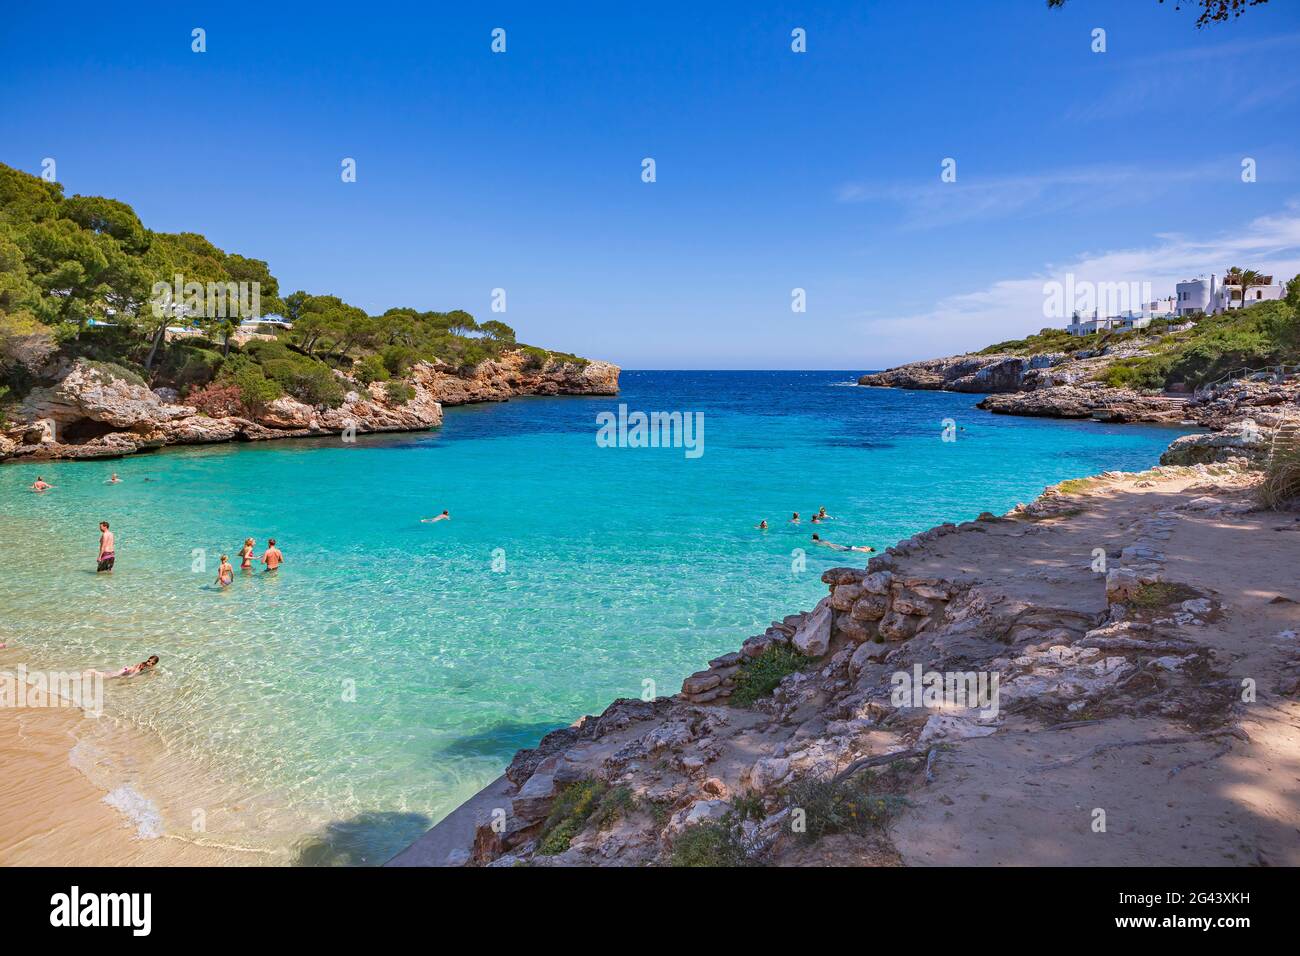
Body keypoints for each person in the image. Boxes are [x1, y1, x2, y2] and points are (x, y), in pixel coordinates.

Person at [94, 655, 159, 679]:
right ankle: (93, 672)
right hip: (127, 670)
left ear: (155, 664)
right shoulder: (142, 665)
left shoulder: (146, 666)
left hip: (126, 668)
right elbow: (136, 672)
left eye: (152, 663)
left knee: (112, 674)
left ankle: (95, 673)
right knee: (112, 676)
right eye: (149, 661)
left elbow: (152, 672)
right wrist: (128, 677)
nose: (149, 663)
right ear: (147, 659)